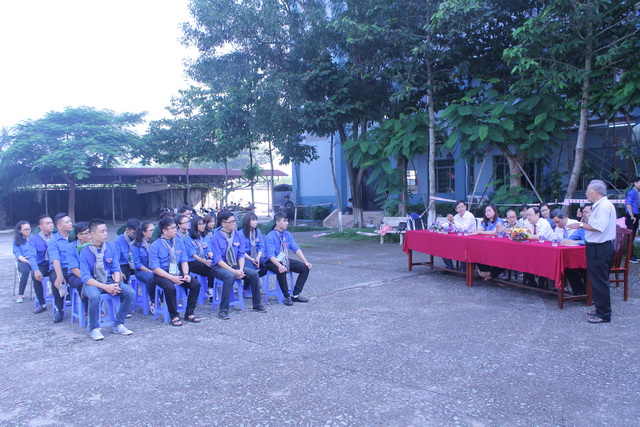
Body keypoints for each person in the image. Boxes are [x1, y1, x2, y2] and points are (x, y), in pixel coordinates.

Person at [567, 180, 616, 323]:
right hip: (596, 246)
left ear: (597, 192)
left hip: (600, 247)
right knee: (595, 279)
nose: (586, 193)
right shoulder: (599, 206)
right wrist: (583, 220)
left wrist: (580, 225)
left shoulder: (603, 206)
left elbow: (597, 227)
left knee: (600, 280)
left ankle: (603, 314)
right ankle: (600, 307)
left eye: (588, 190)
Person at [79, 218, 136, 341]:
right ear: (92, 234)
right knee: (94, 296)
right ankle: (94, 328)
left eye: (106, 230)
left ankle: (119, 324)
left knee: (130, 293)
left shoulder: (111, 247)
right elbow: (85, 277)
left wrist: (116, 284)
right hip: (92, 283)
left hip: (109, 280)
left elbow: (116, 268)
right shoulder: (85, 252)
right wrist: (105, 287)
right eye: (102, 231)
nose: (106, 234)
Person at [210, 210, 266, 319]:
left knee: (254, 273)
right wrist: (234, 272)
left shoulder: (237, 235)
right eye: (231, 222)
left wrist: (240, 269)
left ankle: (257, 304)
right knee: (230, 276)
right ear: (223, 223)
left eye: (234, 221)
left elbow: (241, 254)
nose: (234, 224)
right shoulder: (215, 237)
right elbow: (218, 260)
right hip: (220, 266)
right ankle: (223, 310)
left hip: (235, 264)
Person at [149, 217, 201, 326]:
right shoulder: (155, 245)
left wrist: (186, 274)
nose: (175, 230)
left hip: (176, 271)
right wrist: (171, 278)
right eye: (172, 228)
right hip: (162, 274)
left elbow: (184, 261)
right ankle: (174, 316)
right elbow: (155, 268)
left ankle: (189, 313)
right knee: (170, 287)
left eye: (175, 228)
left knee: (195, 284)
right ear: (164, 230)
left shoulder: (178, 242)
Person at [264, 211, 313, 305]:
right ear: (277, 222)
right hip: (271, 261)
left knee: (304, 268)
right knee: (282, 270)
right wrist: (279, 266)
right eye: (284, 221)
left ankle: (295, 295)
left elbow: (296, 248)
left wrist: (306, 261)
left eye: (287, 221)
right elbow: (270, 256)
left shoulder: (287, 234)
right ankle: (286, 296)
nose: (287, 223)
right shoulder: (270, 236)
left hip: (284, 259)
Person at [47, 213, 74, 323]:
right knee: (56, 280)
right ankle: (59, 309)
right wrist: (59, 276)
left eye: (70, 221)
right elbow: (55, 260)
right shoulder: (53, 241)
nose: (70, 223)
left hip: (74, 267)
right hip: (60, 268)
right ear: (58, 226)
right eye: (67, 222)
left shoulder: (75, 237)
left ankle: (86, 308)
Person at [28, 214, 54, 314]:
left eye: (51, 223)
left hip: (55, 264)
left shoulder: (56, 237)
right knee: (35, 276)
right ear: (41, 226)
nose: (51, 225)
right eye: (47, 223)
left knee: (63, 274)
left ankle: (64, 299)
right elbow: (32, 256)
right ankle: (42, 303)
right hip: (43, 265)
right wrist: (36, 270)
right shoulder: (34, 239)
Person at [471, 205, 504, 280]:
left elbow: (494, 233)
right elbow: (479, 229)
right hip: (487, 246)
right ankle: (485, 272)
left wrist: (480, 232)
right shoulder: (486, 221)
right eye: (486, 211)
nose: (487, 213)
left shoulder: (500, 221)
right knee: (476, 253)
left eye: (489, 211)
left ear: (494, 211)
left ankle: (491, 274)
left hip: (498, 246)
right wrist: (474, 231)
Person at [184, 217, 215, 295]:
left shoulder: (205, 237)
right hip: (192, 262)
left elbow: (208, 250)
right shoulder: (188, 238)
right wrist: (205, 262)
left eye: (203, 224)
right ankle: (210, 289)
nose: (203, 226)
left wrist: (213, 259)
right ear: (195, 225)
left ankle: (211, 289)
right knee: (209, 268)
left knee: (215, 265)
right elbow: (193, 255)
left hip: (204, 259)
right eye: (200, 224)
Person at [131, 221, 157, 314]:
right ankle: (153, 301)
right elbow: (137, 264)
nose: (153, 232)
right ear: (144, 232)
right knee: (151, 278)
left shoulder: (155, 243)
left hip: (154, 268)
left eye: (154, 230)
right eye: (151, 230)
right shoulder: (136, 245)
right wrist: (150, 271)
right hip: (141, 271)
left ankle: (162, 299)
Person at [443, 200, 475, 270]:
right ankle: (449, 266)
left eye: (462, 206)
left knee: (462, 249)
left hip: (469, 239)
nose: (461, 209)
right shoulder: (456, 216)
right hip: (459, 238)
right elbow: (453, 228)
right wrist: (450, 222)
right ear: (456, 209)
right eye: (458, 207)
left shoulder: (469, 216)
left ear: (465, 207)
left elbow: (464, 229)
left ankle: (464, 269)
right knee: (444, 245)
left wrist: (453, 221)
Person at [241, 212, 268, 298]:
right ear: (247, 221)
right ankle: (246, 289)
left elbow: (261, 246)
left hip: (256, 255)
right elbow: (240, 250)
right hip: (245, 256)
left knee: (268, 266)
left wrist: (258, 257)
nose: (256, 222)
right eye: (253, 220)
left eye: (256, 220)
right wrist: (251, 259)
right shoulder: (240, 233)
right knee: (250, 270)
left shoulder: (258, 232)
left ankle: (254, 282)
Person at [65, 222, 90, 312]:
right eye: (87, 233)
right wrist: (88, 278)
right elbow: (74, 269)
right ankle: (87, 309)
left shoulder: (94, 244)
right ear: (79, 236)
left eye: (91, 232)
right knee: (82, 283)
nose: (90, 235)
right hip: (75, 275)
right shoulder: (71, 247)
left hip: (91, 273)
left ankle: (97, 306)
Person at [12, 221, 33, 304]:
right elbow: (18, 255)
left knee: (39, 270)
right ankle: (20, 294)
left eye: (29, 229)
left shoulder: (34, 238)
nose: (28, 231)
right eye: (25, 230)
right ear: (20, 231)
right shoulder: (16, 241)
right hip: (23, 260)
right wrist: (28, 261)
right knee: (25, 271)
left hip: (34, 259)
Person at [114, 218, 139, 284]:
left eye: (137, 233)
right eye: (133, 233)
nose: (135, 236)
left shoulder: (139, 239)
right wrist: (119, 271)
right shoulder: (118, 241)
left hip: (136, 264)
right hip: (124, 265)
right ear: (127, 230)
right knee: (123, 276)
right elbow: (116, 259)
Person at [625, 177, 640, 263]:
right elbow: (628, 204)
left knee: (633, 236)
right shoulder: (631, 192)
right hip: (631, 216)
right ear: (635, 183)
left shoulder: (637, 192)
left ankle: (632, 254)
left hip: (636, 215)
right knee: (630, 236)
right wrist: (631, 215)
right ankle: (630, 255)